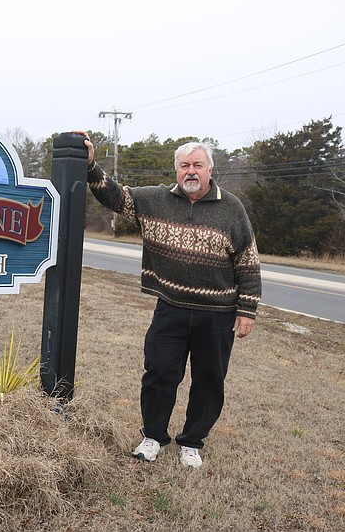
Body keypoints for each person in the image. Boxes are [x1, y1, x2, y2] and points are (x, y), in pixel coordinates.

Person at [77, 132, 261, 468]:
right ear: (176, 170)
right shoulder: (156, 200)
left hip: (217, 314)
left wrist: (247, 310)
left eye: (198, 165)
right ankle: (153, 437)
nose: (191, 171)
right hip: (170, 308)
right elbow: (116, 197)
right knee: (159, 372)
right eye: (184, 165)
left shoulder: (231, 208)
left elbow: (247, 262)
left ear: (209, 170)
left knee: (209, 380)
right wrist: (91, 165)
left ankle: (192, 442)